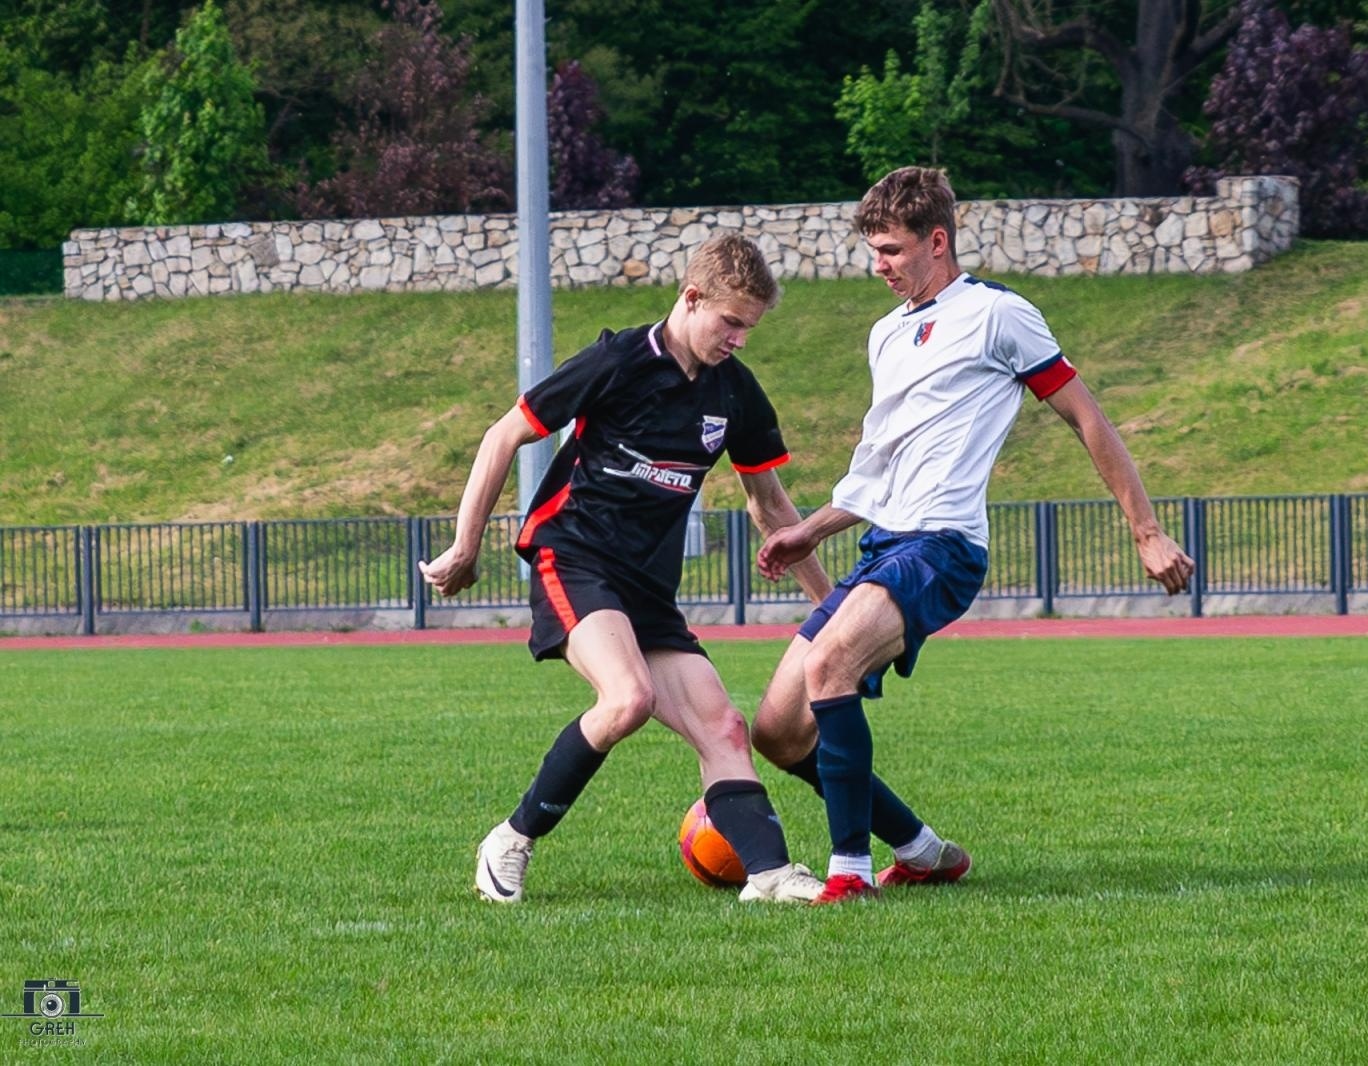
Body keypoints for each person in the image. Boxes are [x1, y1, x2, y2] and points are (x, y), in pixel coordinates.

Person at [753, 167, 1195, 904]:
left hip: (944, 548)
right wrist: (811, 531)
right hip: (882, 547)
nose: (880, 266)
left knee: (829, 665)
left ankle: (848, 876)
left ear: (938, 240)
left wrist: (1145, 531)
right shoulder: (885, 335)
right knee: (777, 732)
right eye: (874, 251)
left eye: (892, 250)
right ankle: (923, 852)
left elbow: (1088, 418)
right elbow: (879, 464)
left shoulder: (1000, 315)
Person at [420, 234, 833, 905]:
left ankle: (770, 875)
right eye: (730, 322)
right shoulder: (618, 361)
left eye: (749, 328)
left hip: (646, 589)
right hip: (574, 555)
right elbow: (505, 435)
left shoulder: (736, 395)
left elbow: (771, 507)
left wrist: (833, 609)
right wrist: (466, 547)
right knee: (628, 699)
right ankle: (511, 839)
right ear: (691, 298)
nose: (739, 339)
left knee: (724, 726)